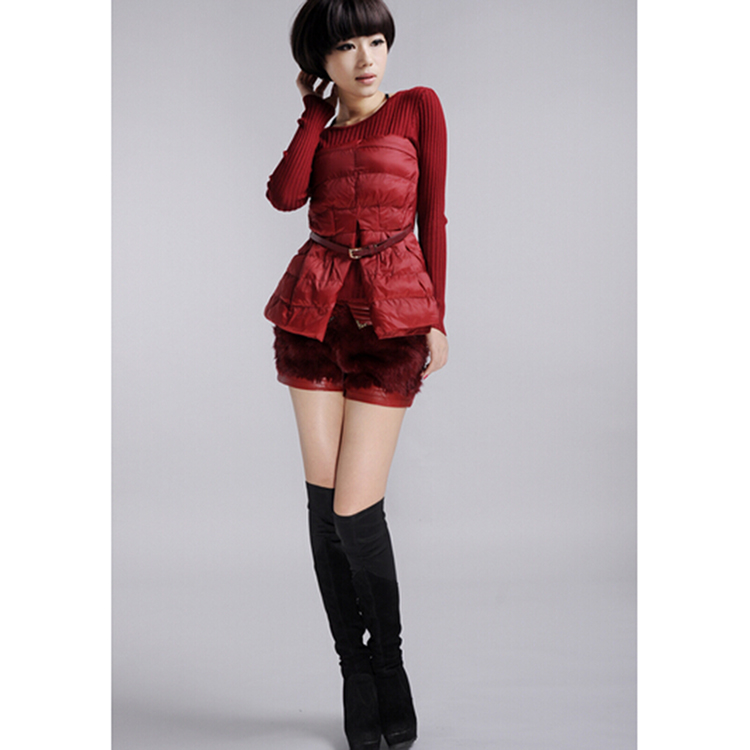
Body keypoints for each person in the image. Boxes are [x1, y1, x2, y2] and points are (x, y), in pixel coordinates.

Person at [264, 1, 448, 748]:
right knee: (322, 508)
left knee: (354, 512)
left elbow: (434, 214)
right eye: (346, 46)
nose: (367, 58)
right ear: (321, 61)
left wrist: (437, 315)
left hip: (391, 321)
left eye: (376, 40)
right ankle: (354, 671)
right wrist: (314, 114)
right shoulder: (323, 127)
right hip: (313, 318)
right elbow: (285, 196)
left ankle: (389, 664)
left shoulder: (418, 107)